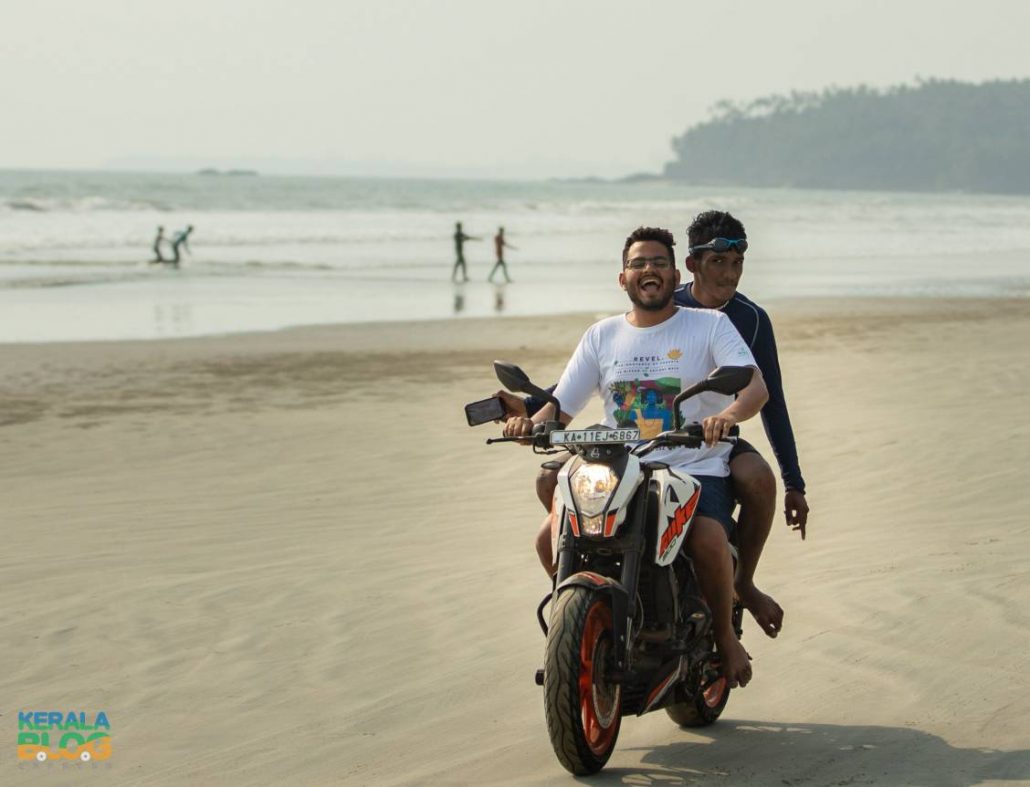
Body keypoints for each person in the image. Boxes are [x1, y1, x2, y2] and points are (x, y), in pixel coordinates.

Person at [501, 210, 808, 641]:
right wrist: (528, 420)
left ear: (675, 271)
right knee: (547, 522)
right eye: (639, 264)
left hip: (695, 453)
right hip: (622, 459)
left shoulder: (722, 323)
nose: (729, 273)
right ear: (622, 278)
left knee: (725, 516)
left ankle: (728, 626)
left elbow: (761, 391)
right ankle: (581, 620)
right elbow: (564, 399)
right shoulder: (602, 334)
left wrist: (731, 420)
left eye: (660, 263)